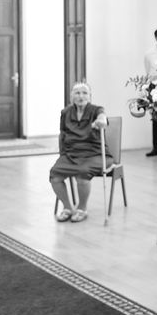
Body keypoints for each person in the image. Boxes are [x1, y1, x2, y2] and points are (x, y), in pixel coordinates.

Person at [50, 82, 111, 223]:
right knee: (55, 174)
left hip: (94, 154)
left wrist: (101, 121)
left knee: (82, 173)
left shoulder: (96, 110)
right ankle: (67, 208)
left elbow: (102, 116)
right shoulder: (66, 112)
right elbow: (62, 135)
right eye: (77, 93)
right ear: (71, 96)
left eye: (84, 93)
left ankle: (82, 209)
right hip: (71, 154)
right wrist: (62, 155)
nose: (81, 96)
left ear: (90, 96)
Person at [143, 27, 157, 157]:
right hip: (155, 87)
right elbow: (148, 71)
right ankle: (156, 147)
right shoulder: (149, 54)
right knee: (156, 117)